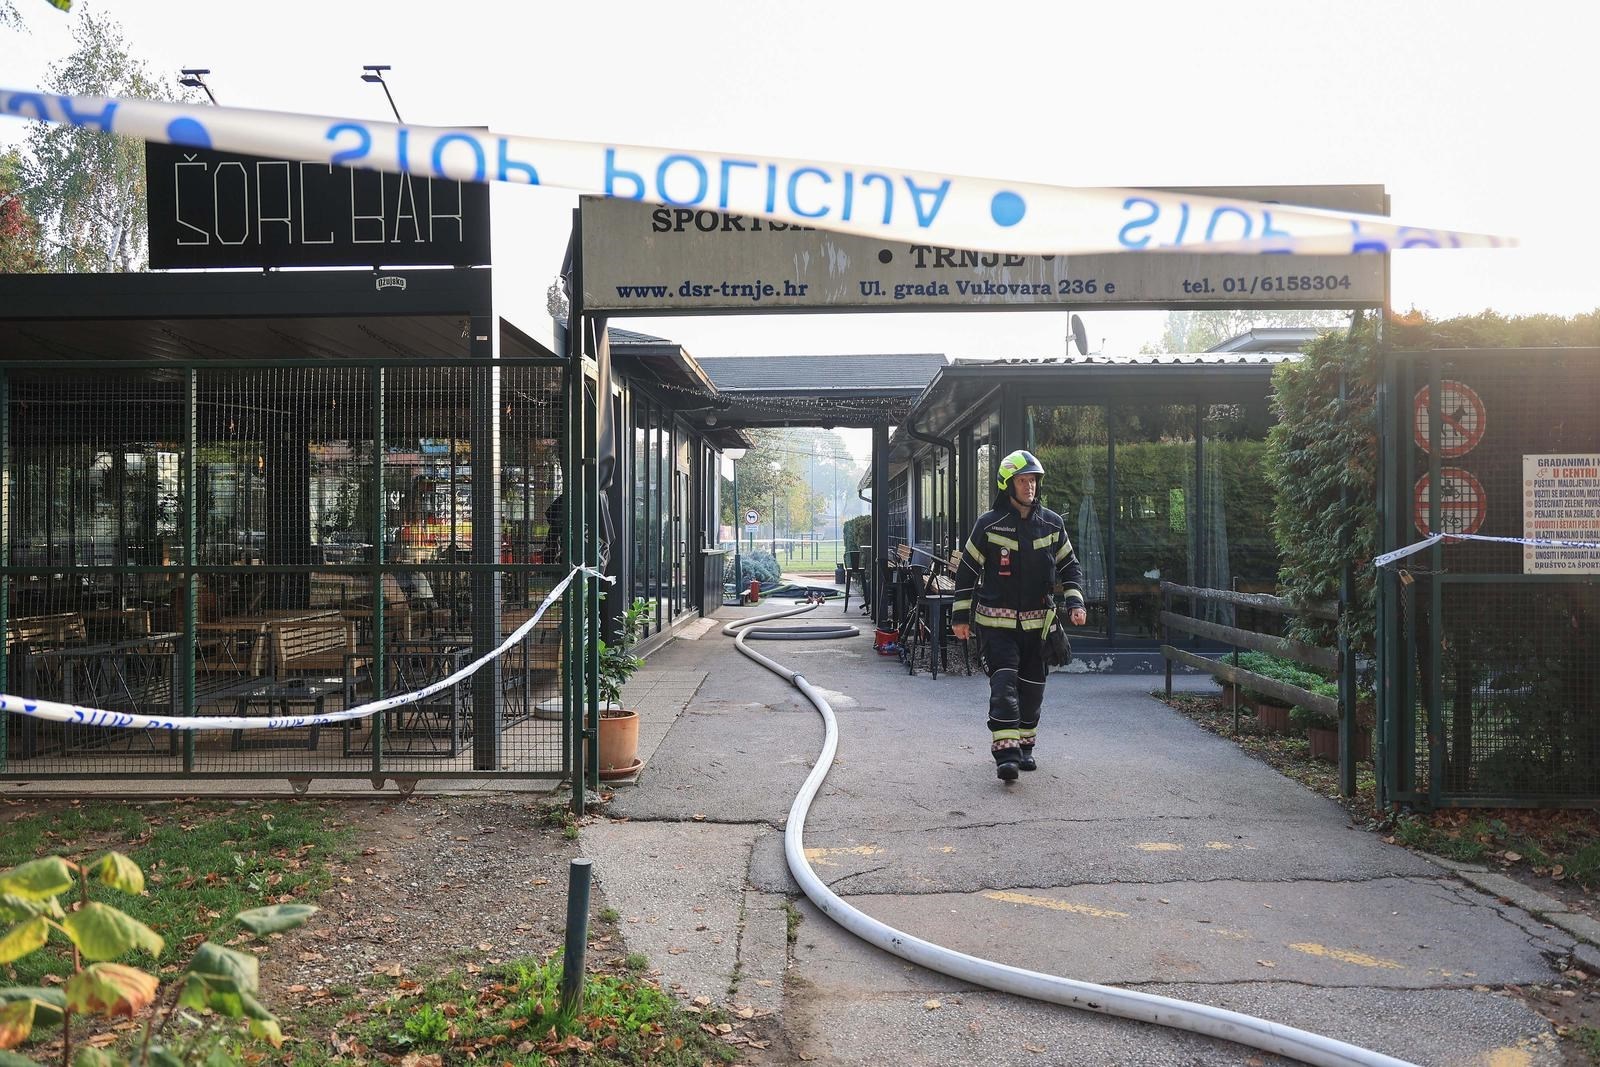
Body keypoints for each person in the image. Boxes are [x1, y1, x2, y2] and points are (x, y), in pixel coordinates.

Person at [951, 450, 1087, 782]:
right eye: (1023, 481)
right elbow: (967, 572)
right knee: (1003, 686)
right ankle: (1006, 755)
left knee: (1032, 690)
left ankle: (1026, 746)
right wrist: (960, 618)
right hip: (996, 627)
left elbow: (1070, 566)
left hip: (1039, 628)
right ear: (1007, 485)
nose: (1030, 487)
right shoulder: (988, 524)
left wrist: (1075, 603)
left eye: (1033, 481)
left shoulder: (1053, 524)